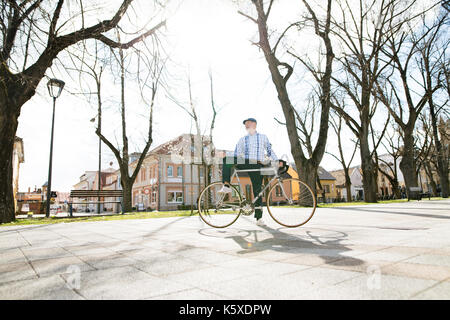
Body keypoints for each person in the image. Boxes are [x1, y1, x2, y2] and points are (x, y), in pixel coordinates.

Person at [217, 118, 283, 226]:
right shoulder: (243, 139)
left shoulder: (263, 137)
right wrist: (226, 154)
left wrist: (277, 160)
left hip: (258, 164)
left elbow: (270, 151)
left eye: (248, 123)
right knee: (227, 160)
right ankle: (226, 185)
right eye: (245, 124)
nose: (246, 126)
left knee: (258, 191)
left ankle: (259, 218)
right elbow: (236, 153)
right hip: (247, 162)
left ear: (255, 124)